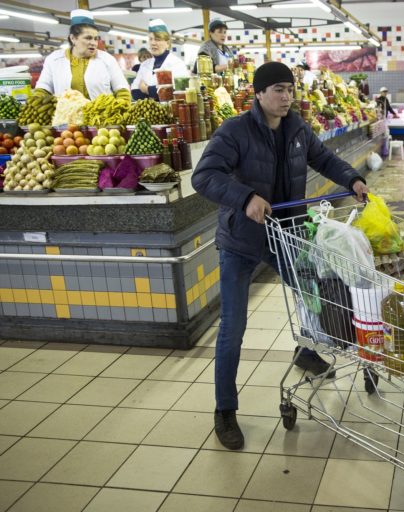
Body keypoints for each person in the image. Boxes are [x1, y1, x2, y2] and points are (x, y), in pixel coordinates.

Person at [192, 62, 368, 450]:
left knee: (316, 298)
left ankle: (307, 351)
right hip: (241, 241)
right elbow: (203, 176)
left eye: (289, 89)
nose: (286, 97)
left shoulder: (298, 129)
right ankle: (225, 411)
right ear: (258, 94)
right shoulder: (234, 131)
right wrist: (245, 197)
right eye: (277, 89)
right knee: (233, 329)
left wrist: (352, 178)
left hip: (285, 237)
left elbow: (324, 159)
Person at [34, 9, 130, 101]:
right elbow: (44, 87)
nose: (93, 43)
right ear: (73, 38)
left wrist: (122, 103)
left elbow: (121, 87)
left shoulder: (107, 59)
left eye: (96, 38)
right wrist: (36, 101)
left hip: (101, 115)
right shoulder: (54, 59)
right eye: (88, 38)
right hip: (67, 115)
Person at [131, 19, 190, 101]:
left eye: (157, 39)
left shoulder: (177, 64)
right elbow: (135, 92)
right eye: (151, 39)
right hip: (148, 112)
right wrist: (155, 92)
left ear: (167, 43)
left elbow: (175, 93)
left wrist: (146, 89)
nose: (153, 43)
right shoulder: (144, 65)